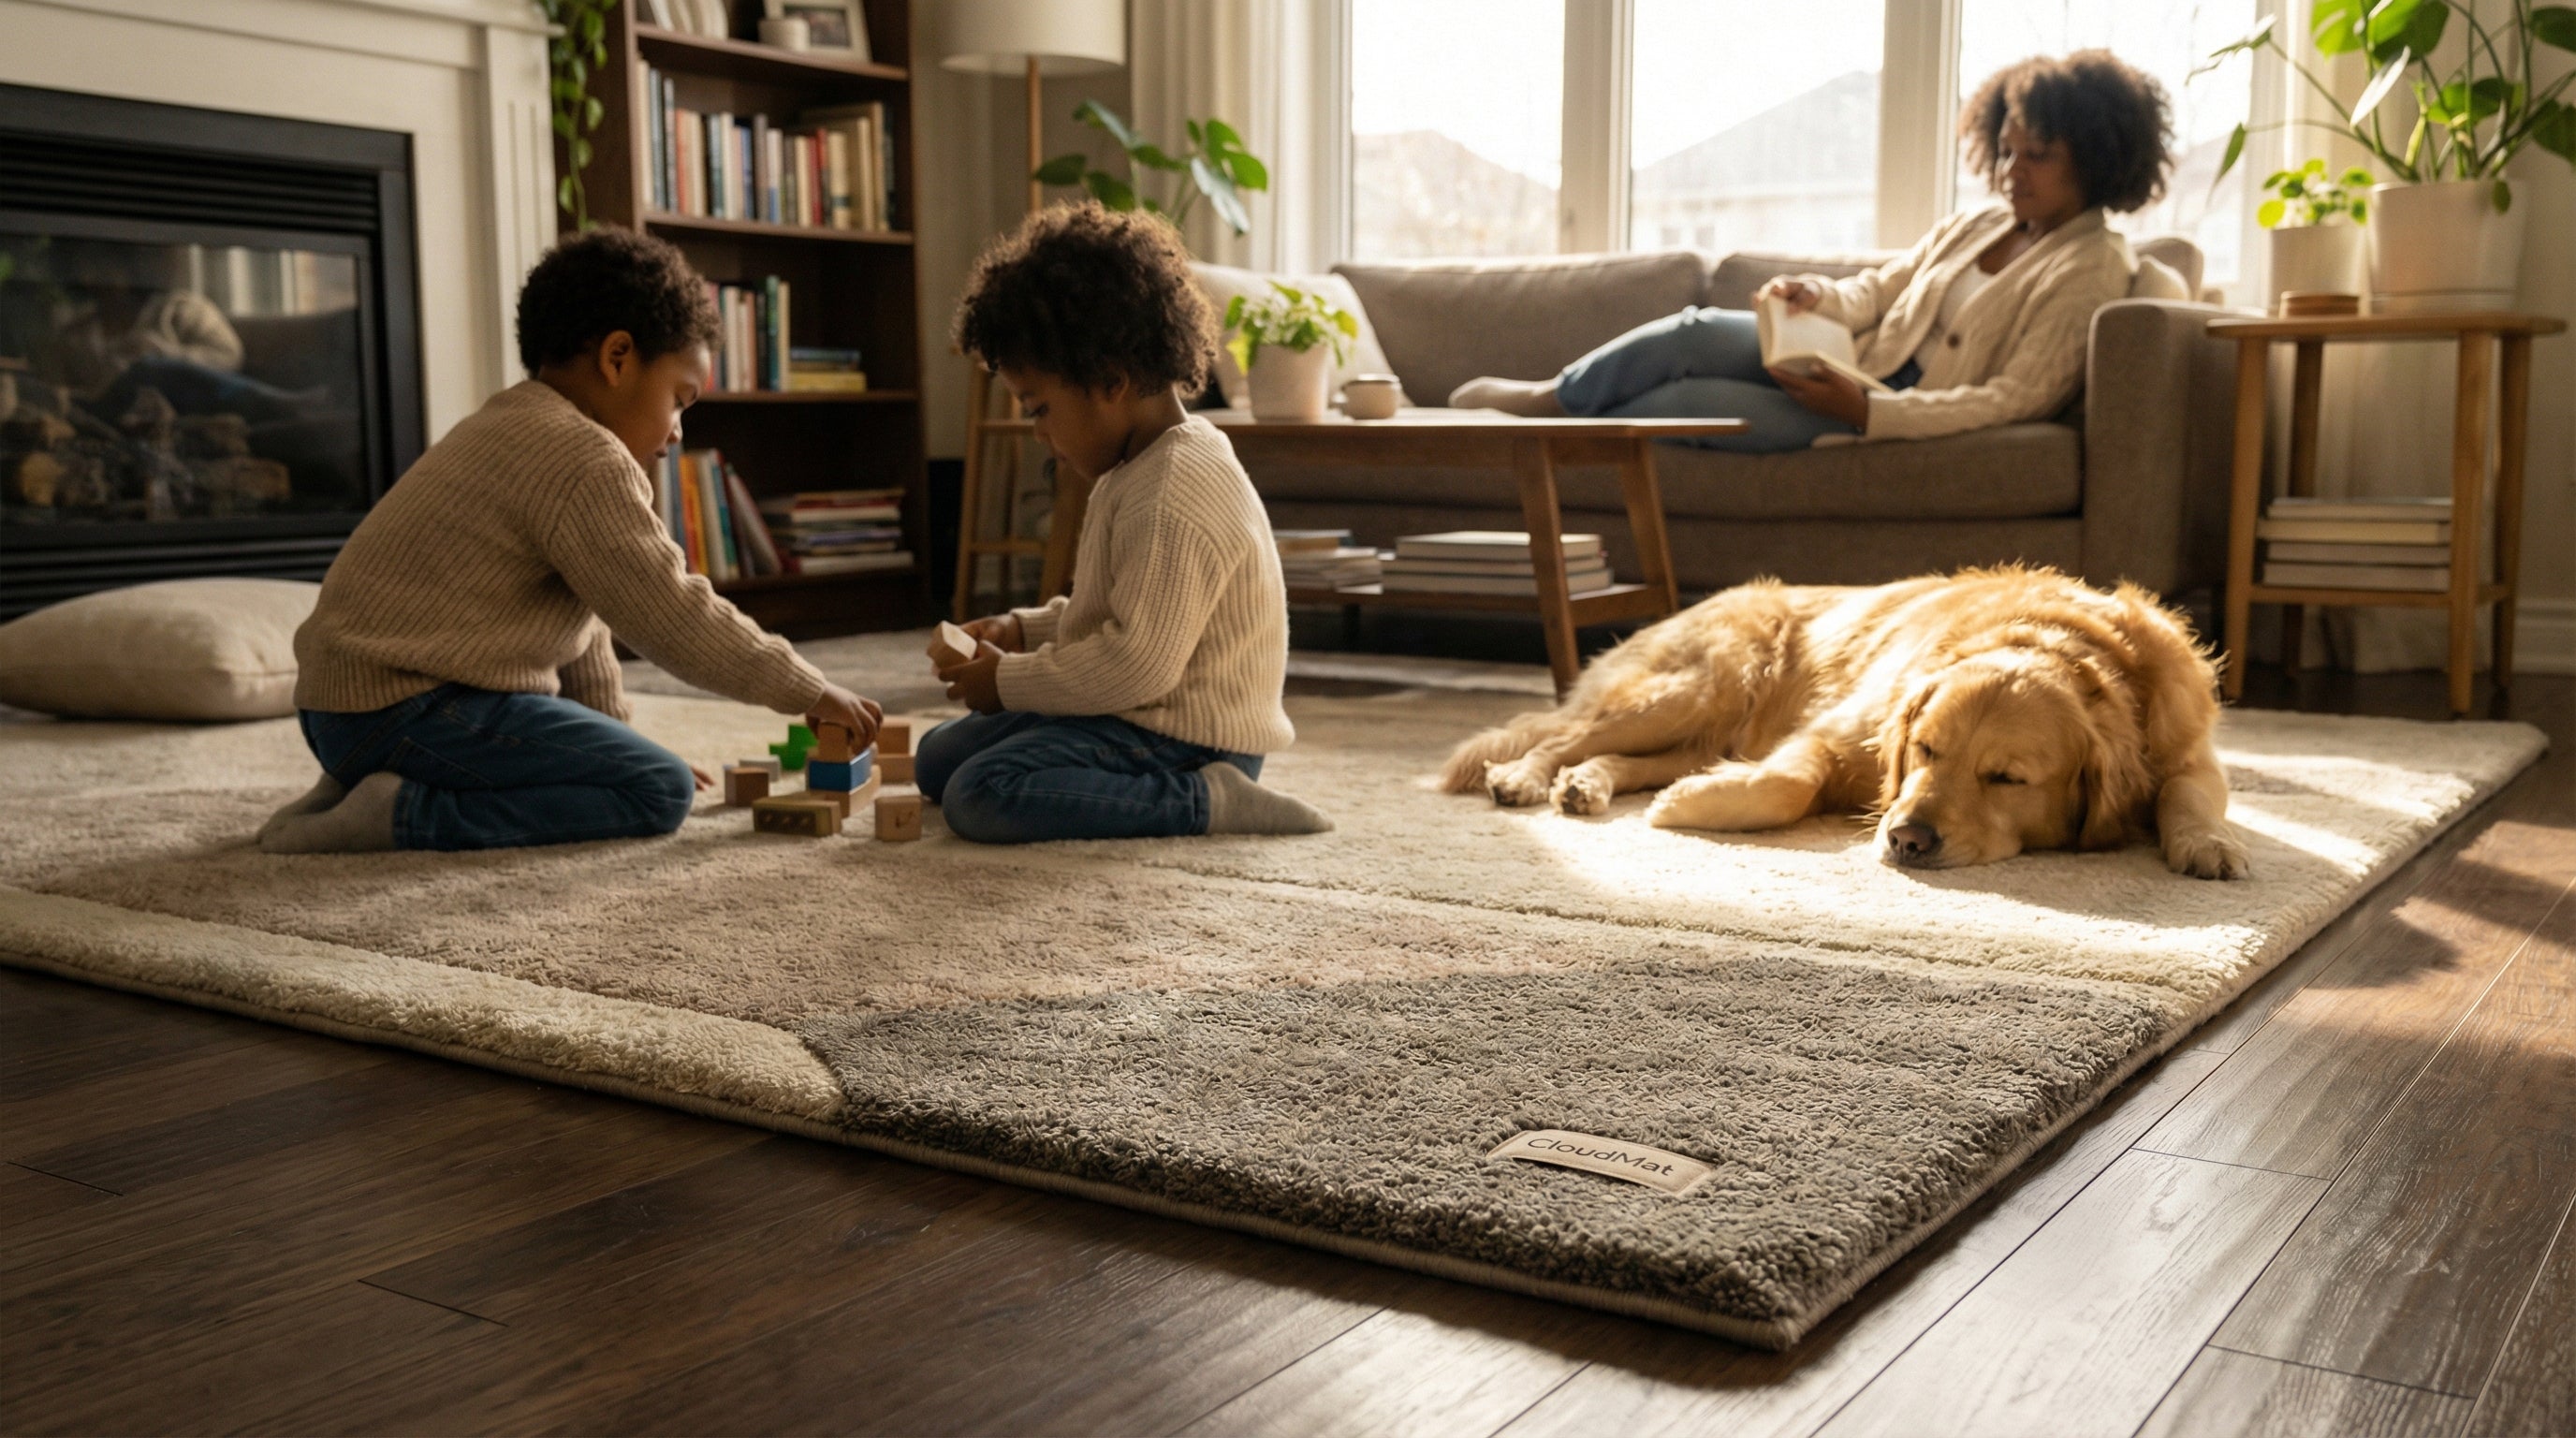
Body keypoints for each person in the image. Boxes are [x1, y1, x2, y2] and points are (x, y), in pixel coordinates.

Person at [261, 228, 880, 853]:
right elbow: (668, 612)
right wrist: (808, 687)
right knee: (658, 792)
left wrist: (616, 741)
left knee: (643, 770)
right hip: (406, 709)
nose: (675, 433)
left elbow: (587, 623)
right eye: (678, 400)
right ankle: (400, 813)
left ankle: (359, 782)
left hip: (342, 712)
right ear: (618, 358)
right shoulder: (585, 458)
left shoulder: (514, 422)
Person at [1452, 51, 2174, 451]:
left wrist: (1867, 412)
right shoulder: (1979, 225)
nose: (2012, 172)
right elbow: (1878, 291)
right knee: (1693, 332)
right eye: (2007, 151)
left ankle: (1544, 444)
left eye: (2037, 156)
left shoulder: (2094, 266)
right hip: (1847, 359)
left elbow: (2015, 399)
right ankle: (1546, 401)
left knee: (1685, 403)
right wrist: (1817, 298)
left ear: (2100, 158)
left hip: (1885, 409)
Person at [923, 203, 1328, 844]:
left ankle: (1207, 800)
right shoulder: (1132, 466)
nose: (1037, 433)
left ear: (1111, 381)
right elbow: (1120, 606)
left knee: (980, 794)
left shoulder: (1175, 487)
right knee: (936, 759)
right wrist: (1025, 631)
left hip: (1186, 737)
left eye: (1039, 409)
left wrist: (1007, 680)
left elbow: (1135, 664)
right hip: (1134, 712)